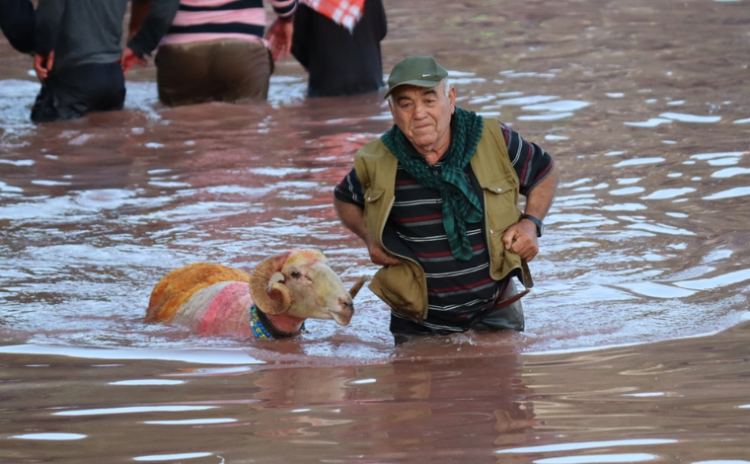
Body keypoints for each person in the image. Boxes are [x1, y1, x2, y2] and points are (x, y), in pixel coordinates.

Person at [333, 56, 559, 344]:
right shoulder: (376, 159)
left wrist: (531, 223)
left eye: (429, 100)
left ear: (450, 99)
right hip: (416, 321)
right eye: (406, 104)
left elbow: (544, 171)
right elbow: (345, 199)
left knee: (506, 388)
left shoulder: (493, 138)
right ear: (393, 111)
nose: (418, 113)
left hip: (496, 312)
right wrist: (369, 239)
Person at [31, 0, 178, 123]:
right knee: (110, 151)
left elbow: (50, 13)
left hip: (72, 77)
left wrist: (43, 49)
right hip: (113, 78)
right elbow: (167, 5)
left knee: (48, 145)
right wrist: (140, 46)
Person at [129, 0, 299, 106]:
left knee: (180, 132)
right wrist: (286, 18)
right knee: (247, 132)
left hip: (180, 55)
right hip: (242, 52)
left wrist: (139, 44)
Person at [291, 0, 386, 97]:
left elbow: (294, 40)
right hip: (372, 83)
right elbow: (381, 29)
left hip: (326, 87)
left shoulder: (306, 2)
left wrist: (312, 63)